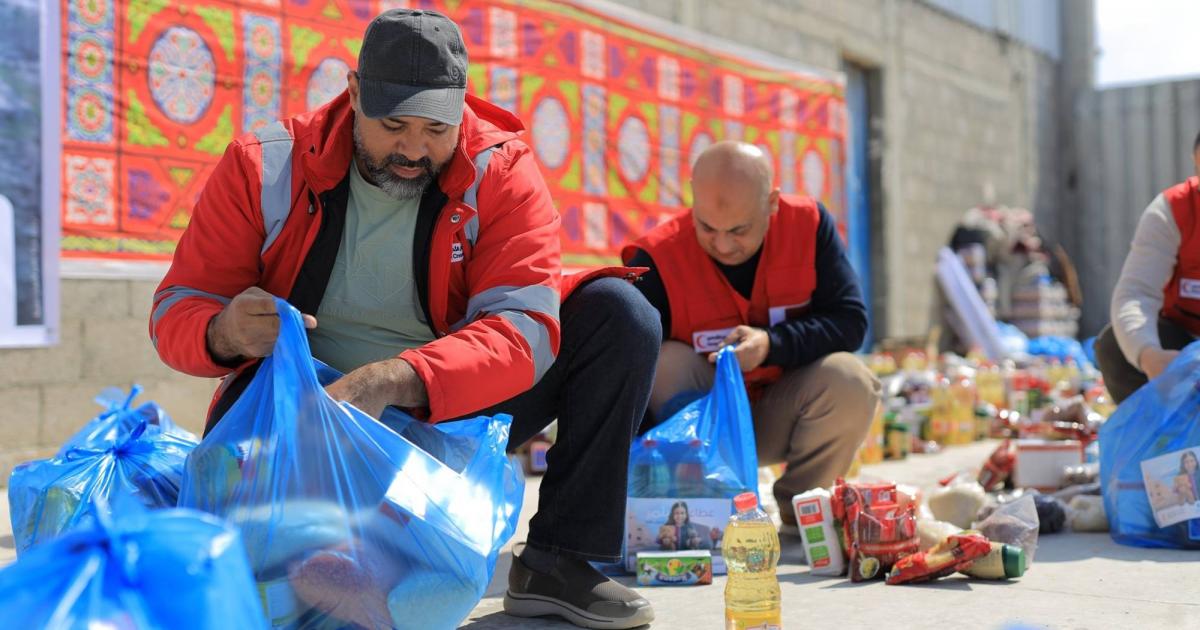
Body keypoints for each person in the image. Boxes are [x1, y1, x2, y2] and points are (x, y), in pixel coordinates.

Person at [148, 9, 657, 629]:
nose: (414, 149)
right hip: (304, 413)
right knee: (276, 574)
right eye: (393, 125)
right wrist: (222, 331)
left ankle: (559, 561)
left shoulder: (500, 171)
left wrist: (393, 380)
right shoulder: (265, 166)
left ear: (463, 108)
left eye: (436, 128)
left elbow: (521, 330)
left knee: (619, 315)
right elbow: (177, 306)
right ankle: (333, 561)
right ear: (354, 92)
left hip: (439, 404)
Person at [623, 141, 881, 526]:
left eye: (740, 230)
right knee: (660, 358)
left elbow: (850, 321)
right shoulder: (658, 257)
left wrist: (771, 345)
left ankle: (801, 511)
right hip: (703, 424)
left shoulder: (807, 225)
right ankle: (704, 503)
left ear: (772, 202)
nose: (724, 245)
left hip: (782, 410)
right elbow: (624, 372)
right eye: (707, 227)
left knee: (850, 380)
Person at [1096, 132, 1200, 403]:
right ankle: (1168, 442)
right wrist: (1149, 355)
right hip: (1185, 349)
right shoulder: (1171, 211)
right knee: (1115, 347)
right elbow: (1136, 292)